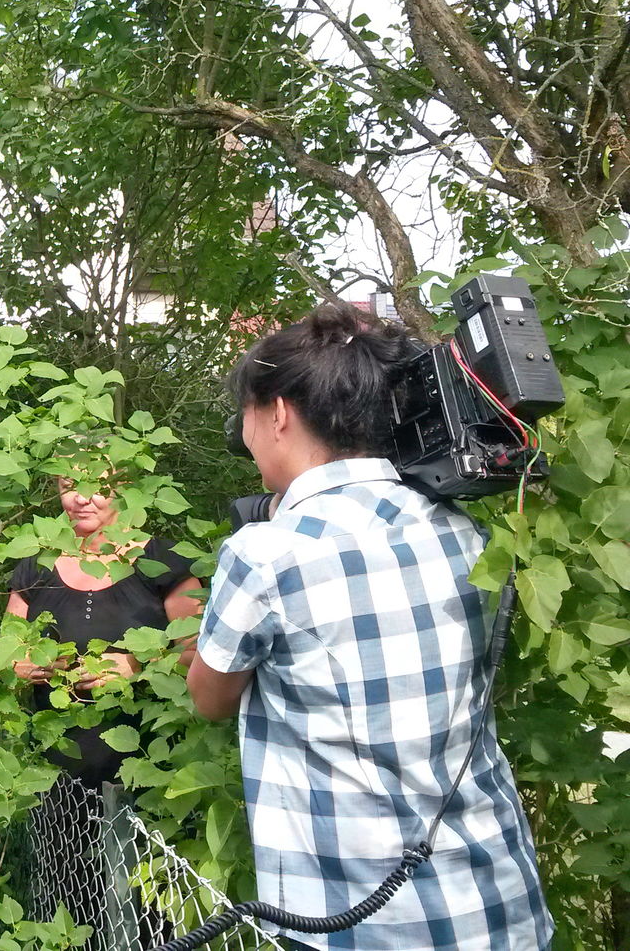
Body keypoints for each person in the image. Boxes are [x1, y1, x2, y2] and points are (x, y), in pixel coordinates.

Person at [188, 302, 552, 951]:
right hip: (501, 905)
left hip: (359, 922)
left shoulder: (266, 553)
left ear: (277, 412)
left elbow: (210, 697)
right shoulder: (463, 530)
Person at [6, 464, 202, 947]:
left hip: (149, 774)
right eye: (69, 486)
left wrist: (136, 665)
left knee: (147, 909)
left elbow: (200, 651)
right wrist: (23, 662)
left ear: (125, 486)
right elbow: (8, 648)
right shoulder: (37, 562)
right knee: (66, 902)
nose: (81, 499)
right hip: (56, 778)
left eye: (98, 486)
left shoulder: (161, 559)